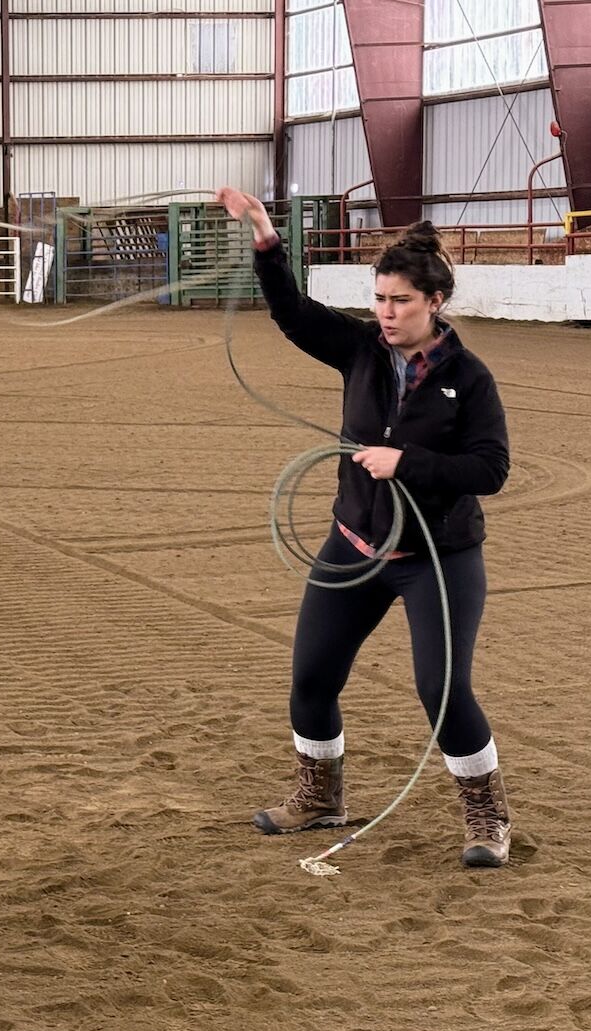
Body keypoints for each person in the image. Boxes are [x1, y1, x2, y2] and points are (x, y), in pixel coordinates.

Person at [214, 187, 514, 867]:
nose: (385, 312)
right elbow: (291, 314)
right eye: (379, 298)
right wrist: (265, 237)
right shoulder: (359, 350)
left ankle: (487, 813)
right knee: (311, 679)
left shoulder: (469, 380)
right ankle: (321, 797)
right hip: (354, 546)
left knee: (442, 690)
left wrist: (407, 461)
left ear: (434, 302)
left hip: (436, 556)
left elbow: (489, 469)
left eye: (399, 301)